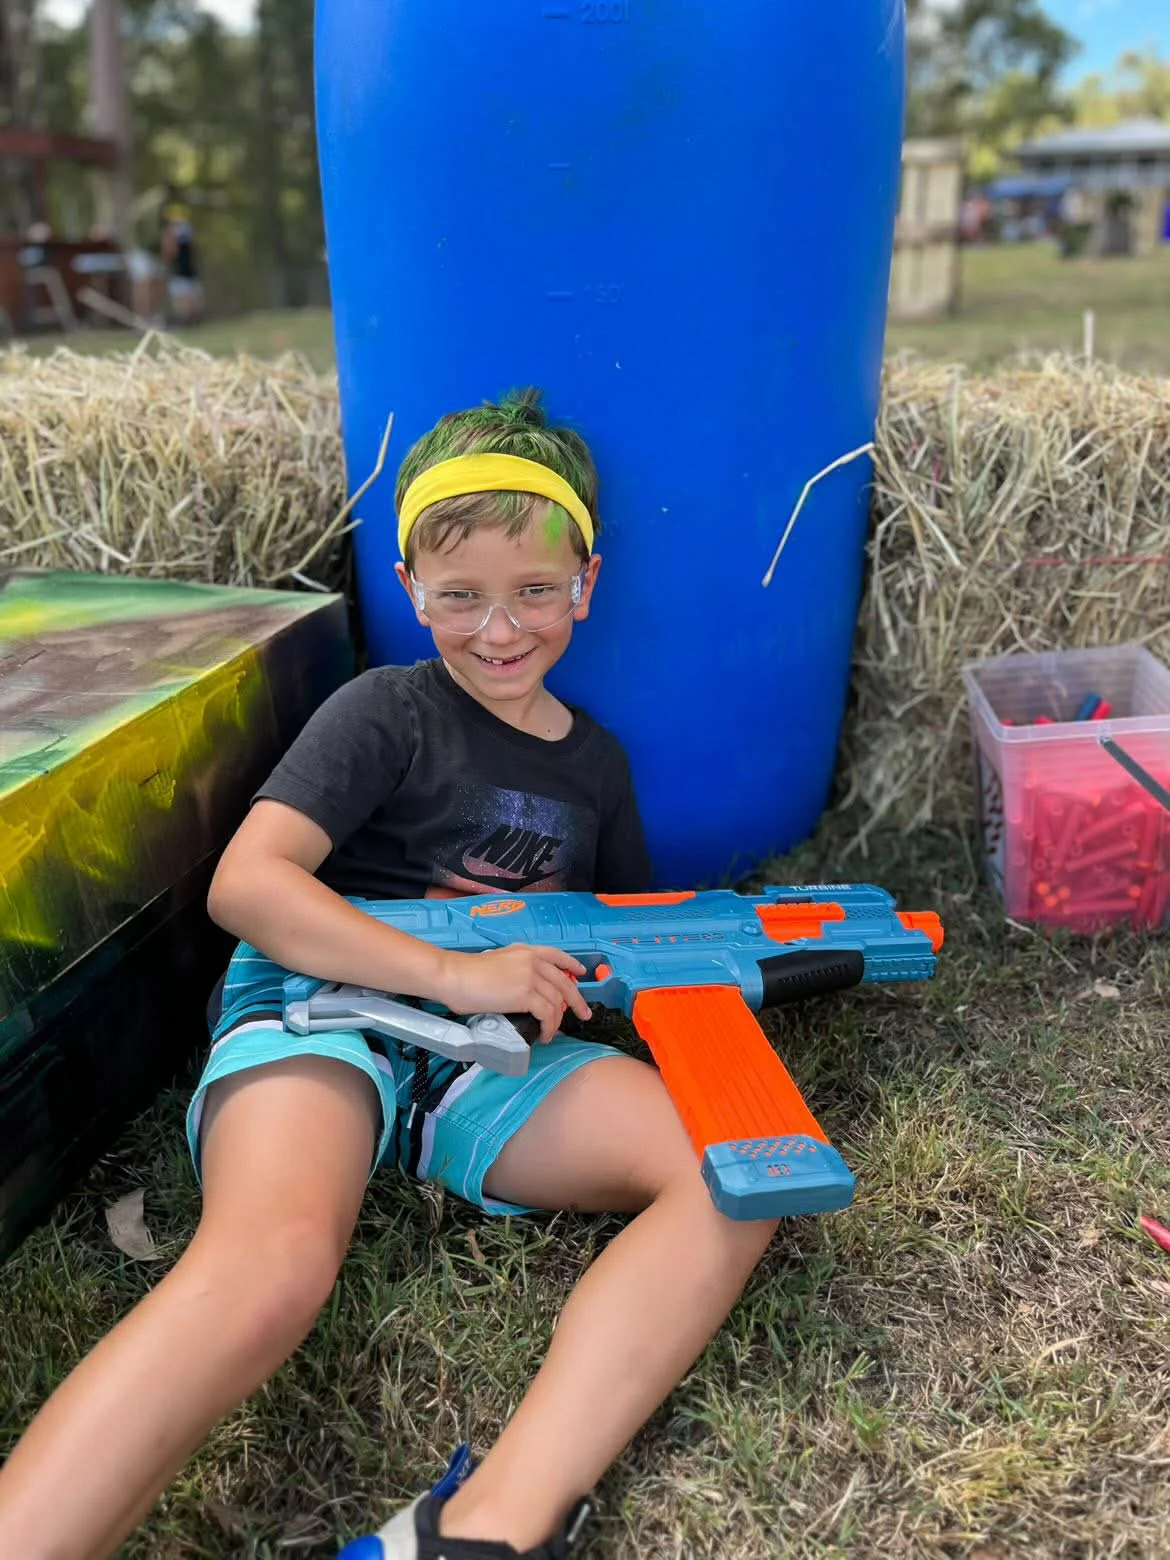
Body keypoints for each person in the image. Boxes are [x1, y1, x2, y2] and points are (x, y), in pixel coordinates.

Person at [0, 390, 778, 1560]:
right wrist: (450, 972)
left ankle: (484, 1528)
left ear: (587, 584)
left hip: (492, 1058)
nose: (499, 629)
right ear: (411, 588)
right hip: (323, 1010)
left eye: (535, 591)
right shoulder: (386, 710)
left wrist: (702, 961)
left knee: (731, 1174)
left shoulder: (599, 766)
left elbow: (617, 940)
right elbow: (249, 886)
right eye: (459, 595)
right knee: (271, 1268)